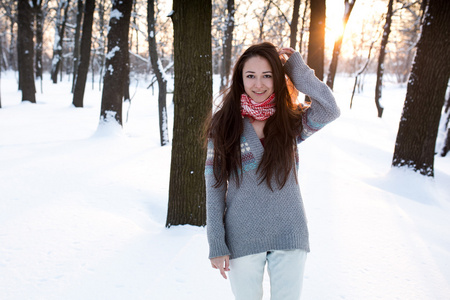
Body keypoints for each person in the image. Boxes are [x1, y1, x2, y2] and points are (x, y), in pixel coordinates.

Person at [204, 42, 340, 300]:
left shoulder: (289, 121)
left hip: (289, 232)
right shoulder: (224, 126)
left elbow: (330, 109)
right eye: (251, 76)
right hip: (242, 235)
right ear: (240, 79)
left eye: (267, 75)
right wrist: (216, 241)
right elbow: (215, 186)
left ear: (277, 79)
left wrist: (298, 71)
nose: (259, 84)